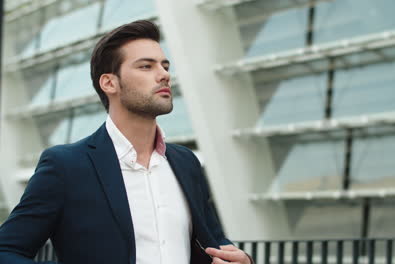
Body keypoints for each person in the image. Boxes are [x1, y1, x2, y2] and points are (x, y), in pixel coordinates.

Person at [0, 20, 252, 264]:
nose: (164, 75)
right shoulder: (66, 166)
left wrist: (242, 261)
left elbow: (215, 244)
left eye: (165, 66)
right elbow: (6, 250)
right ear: (109, 83)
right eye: (146, 66)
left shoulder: (186, 162)